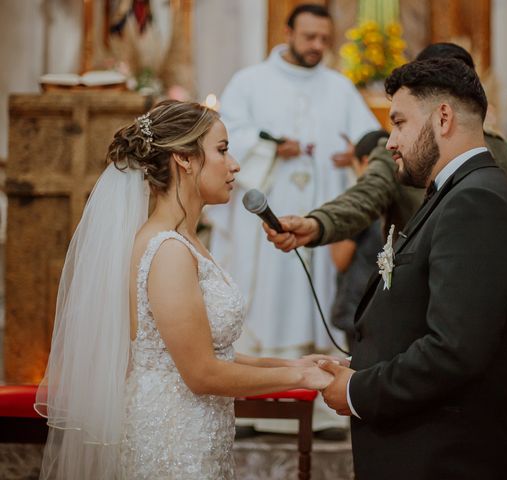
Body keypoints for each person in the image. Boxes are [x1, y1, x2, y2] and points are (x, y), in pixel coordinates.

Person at [35, 100, 333, 480]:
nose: (235, 165)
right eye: (222, 151)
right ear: (184, 159)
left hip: (195, 433)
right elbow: (202, 373)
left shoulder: (183, 240)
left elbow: (211, 353)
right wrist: (300, 379)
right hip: (172, 442)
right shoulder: (169, 251)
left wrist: (294, 364)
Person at [295, 58, 507, 478]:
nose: (390, 142)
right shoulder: (458, 193)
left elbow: (454, 349)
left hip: (443, 457)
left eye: (400, 122)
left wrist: (356, 390)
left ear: (443, 117)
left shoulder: (477, 203)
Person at [206, 3, 379, 436]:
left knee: (313, 294)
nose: (318, 46)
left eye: (325, 38)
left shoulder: (339, 87)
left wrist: (352, 154)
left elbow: (368, 143)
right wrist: (269, 147)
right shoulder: (249, 82)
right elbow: (224, 137)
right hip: (260, 218)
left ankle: (321, 406)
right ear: (287, 33)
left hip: (316, 219)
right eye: (309, 38)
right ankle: (248, 402)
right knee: (257, 296)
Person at [263, 43, 507, 252]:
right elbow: (363, 198)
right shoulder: (398, 150)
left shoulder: (496, 150)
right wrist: (316, 224)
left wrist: (500, 263)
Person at [330, 131, 387, 350]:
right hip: (387, 307)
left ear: (364, 161)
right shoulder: (402, 193)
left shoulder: (360, 203)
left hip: (360, 304)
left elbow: (340, 259)